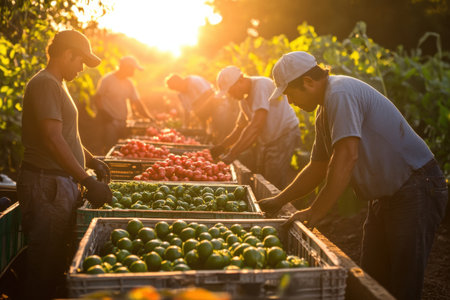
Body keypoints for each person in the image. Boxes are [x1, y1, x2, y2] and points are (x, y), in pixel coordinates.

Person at [257, 51, 448, 300]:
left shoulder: (340, 93)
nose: (290, 101)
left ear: (308, 82)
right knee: (372, 277)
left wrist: (317, 211)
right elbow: (317, 167)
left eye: (289, 93)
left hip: (416, 186)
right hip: (388, 195)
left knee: (402, 281)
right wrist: (278, 200)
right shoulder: (324, 110)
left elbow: (346, 157)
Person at [17, 29, 112, 300]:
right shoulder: (45, 83)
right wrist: (86, 179)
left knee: (54, 258)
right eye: (81, 61)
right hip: (47, 184)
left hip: (57, 183)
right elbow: (51, 138)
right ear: (67, 54)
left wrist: (91, 159)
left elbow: (66, 135)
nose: (82, 69)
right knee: (44, 263)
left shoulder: (57, 84)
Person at [212, 66, 301, 189]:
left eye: (231, 91)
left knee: (272, 179)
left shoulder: (260, 85)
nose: (231, 96)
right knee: (262, 175)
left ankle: (279, 206)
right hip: (269, 138)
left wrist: (232, 154)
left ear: (241, 80)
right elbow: (240, 128)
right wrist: (222, 147)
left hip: (284, 133)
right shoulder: (243, 100)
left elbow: (256, 126)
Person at [93, 56, 153, 154]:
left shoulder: (129, 83)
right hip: (110, 121)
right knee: (110, 148)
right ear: (125, 67)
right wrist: (102, 112)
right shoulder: (108, 79)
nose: (134, 72)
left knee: (123, 150)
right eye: (132, 69)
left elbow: (137, 103)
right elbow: (97, 97)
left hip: (124, 121)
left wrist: (149, 117)